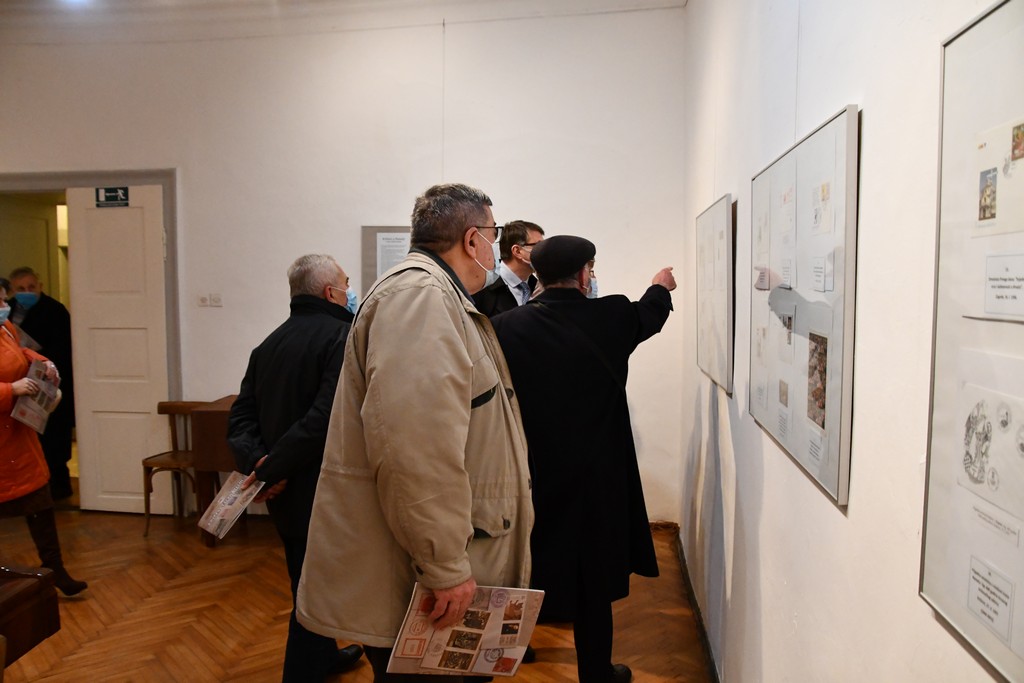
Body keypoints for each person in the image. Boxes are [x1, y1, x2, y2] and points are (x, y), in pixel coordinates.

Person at [296, 183, 533, 682]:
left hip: (439, 556)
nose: (493, 249)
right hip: (422, 575)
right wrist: (445, 565)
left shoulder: (437, 296)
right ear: (472, 239)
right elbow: (415, 451)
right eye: (492, 236)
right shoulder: (420, 299)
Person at [490, 235, 676, 683]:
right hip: (598, 472)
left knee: (529, 562)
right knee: (592, 578)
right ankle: (596, 672)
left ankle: (509, 656)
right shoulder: (612, 315)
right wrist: (660, 285)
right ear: (583, 274)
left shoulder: (504, 327)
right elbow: (649, 314)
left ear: (538, 274)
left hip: (534, 470)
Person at [227, 254, 363, 682]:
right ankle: (302, 672)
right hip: (321, 487)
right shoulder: (342, 337)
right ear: (330, 292)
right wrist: (270, 468)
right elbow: (324, 418)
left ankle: (324, 657)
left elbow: (241, 418)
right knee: (315, 588)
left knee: (304, 575)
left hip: (281, 491)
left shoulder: (269, 343)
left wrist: (259, 464)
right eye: (346, 283)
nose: (350, 291)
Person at [0, 279, 88, 596]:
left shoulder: (5, 327)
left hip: (18, 435)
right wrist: (10, 389)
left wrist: (41, 362)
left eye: (4, 301)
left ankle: (55, 570)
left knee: (40, 501)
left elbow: (21, 349)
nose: (5, 307)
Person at [7, 266, 76, 501]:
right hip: (19, 382)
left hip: (49, 380)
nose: (27, 292)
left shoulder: (55, 311)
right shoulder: (8, 311)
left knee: (54, 437)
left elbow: (64, 348)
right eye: (21, 288)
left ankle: (59, 485)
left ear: (40, 286)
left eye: (31, 287)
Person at [473, 220, 545, 317]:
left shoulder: (539, 288)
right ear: (517, 251)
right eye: (538, 246)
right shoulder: (482, 288)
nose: (545, 252)